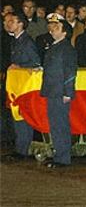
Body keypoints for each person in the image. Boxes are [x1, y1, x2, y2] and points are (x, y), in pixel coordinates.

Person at [40, 13, 77, 168]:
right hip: (52, 91)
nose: (52, 30)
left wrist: (68, 92)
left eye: (57, 27)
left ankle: (63, 158)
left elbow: (70, 72)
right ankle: (59, 155)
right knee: (55, 125)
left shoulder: (67, 48)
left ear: (65, 32)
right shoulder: (54, 47)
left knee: (61, 125)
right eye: (52, 27)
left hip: (60, 92)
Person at [7, 12, 41, 159]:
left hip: (25, 85)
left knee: (23, 116)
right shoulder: (15, 41)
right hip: (17, 85)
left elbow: (36, 63)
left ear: (20, 23)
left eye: (12, 21)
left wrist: (19, 66)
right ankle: (20, 148)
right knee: (17, 115)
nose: (9, 23)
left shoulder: (27, 42)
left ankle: (23, 149)